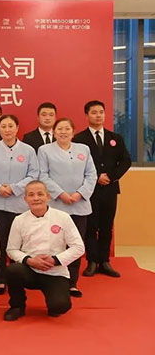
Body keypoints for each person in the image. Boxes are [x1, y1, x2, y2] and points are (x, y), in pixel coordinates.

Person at [4, 181, 84, 321]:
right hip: (30, 270)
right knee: (12, 270)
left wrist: (55, 260)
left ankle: (53, 301)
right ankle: (17, 306)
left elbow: (78, 247)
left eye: (40, 194)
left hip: (55, 271)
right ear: (25, 199)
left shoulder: (63, 217)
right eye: (31, 195)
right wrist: (30, 260)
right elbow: (11, 249)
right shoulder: (19, 220)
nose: (36, 198)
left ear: (48, 197)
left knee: (60, 306)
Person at [38, 118, 97, 297]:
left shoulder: (83, 149)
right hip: (57, 204)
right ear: (54, 132)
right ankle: (54, 280)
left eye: (67, 129)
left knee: (75, 244)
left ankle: (72, 283)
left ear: (73, 132)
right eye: (60, 129)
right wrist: (61, 194)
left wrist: (79, 194)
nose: (63, 132)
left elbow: (91, 175)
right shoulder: (45, 150)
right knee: (55, 243)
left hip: (79, 205)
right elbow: (43, 175)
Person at [74, 100, 131, 278]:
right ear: (86, 115)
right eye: (94, 112)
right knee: (91, 226)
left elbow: (126, 161)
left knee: (107, 226)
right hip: (89, 190)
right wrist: (97, 176)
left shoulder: (115, 138)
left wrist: (111, 177)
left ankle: (105, 261)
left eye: (101, 112)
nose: (98, 115)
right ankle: (91, 261)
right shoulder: (79, 139)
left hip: (110, 190)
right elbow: (76, 164)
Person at [0, 114, 39, 295]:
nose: (7, 130)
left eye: (10, 126)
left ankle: (17, 277)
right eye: (3, 126)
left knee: (18, 243)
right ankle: (0, 278)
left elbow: (33, 174)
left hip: (19, 203)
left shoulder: (28, 150)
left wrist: (15, 188)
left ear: (17, 128)